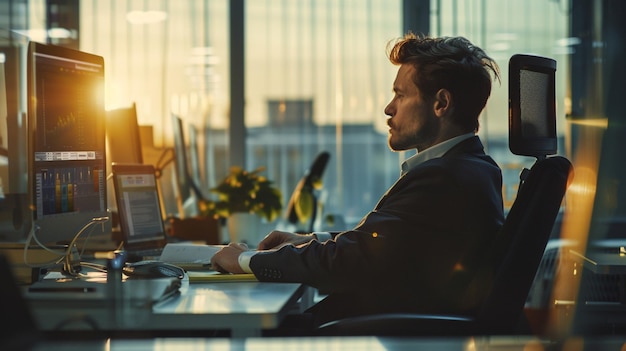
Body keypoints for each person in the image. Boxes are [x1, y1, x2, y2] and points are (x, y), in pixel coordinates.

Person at [211, 33, 504, 330]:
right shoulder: (470, 168)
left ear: (441, 103)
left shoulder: (445, 177)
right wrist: (312, 241)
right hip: (378, 321)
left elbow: (351, 261)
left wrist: (245, 260)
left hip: (375, 333)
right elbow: (385, 244)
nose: (389, 109)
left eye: (401, 95)